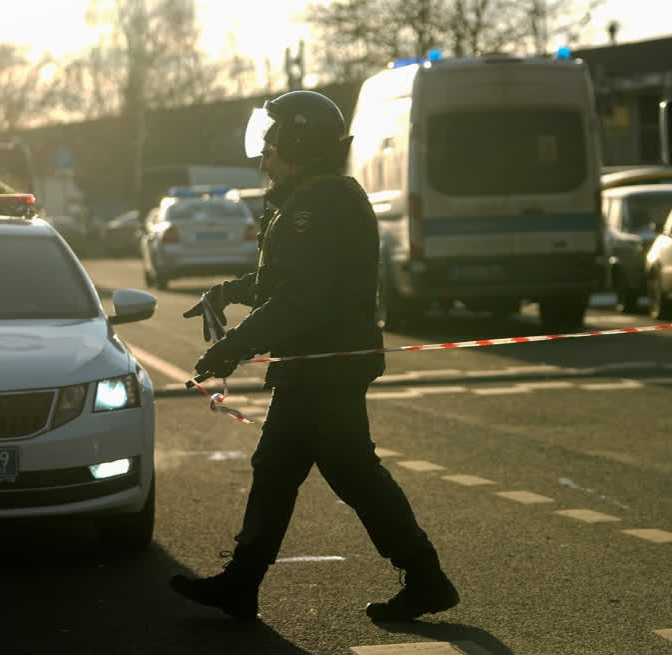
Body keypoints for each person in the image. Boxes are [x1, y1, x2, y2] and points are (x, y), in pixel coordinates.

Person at [169, 91, 458, 622]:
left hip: (326, 367)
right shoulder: (311, 199)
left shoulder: (318, 207)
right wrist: (227, 292)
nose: (264, 157)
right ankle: (243, 583)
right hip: (314, 366)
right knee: (281, 468)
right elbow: (286, 281)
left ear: (299, 146)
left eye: (272, 145)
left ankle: (426, 578)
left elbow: (300, 298)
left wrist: (232, 348)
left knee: (350, 472)